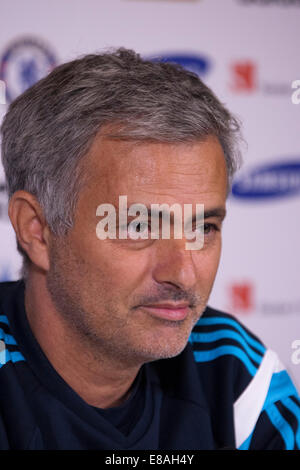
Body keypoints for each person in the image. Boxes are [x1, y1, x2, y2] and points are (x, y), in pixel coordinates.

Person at [0, 48, 299, 451]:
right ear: (37, 231)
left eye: (203, 226)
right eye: (139, 226)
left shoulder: (231, 368)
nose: (184, 273)